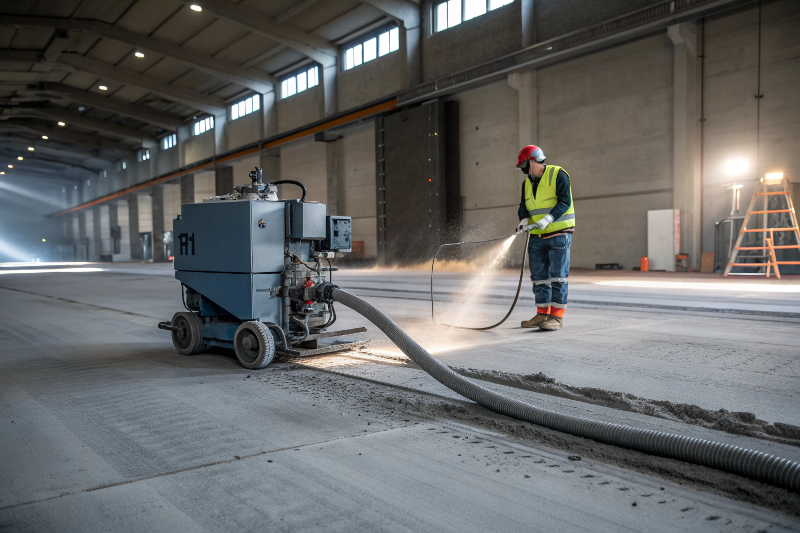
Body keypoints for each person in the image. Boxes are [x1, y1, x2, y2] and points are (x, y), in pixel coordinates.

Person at [515, 145, 575, 331]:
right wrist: (524, 220)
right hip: (536, 237)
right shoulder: (526, 183)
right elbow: (523, 206)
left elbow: (565, 201)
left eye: (524, 165)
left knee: (558, 277)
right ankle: (542, 314)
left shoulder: (558, 174)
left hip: (559, 234)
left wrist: (548, 219)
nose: (524, 170)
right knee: (539, 278)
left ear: (533, 161)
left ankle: (556, 317)